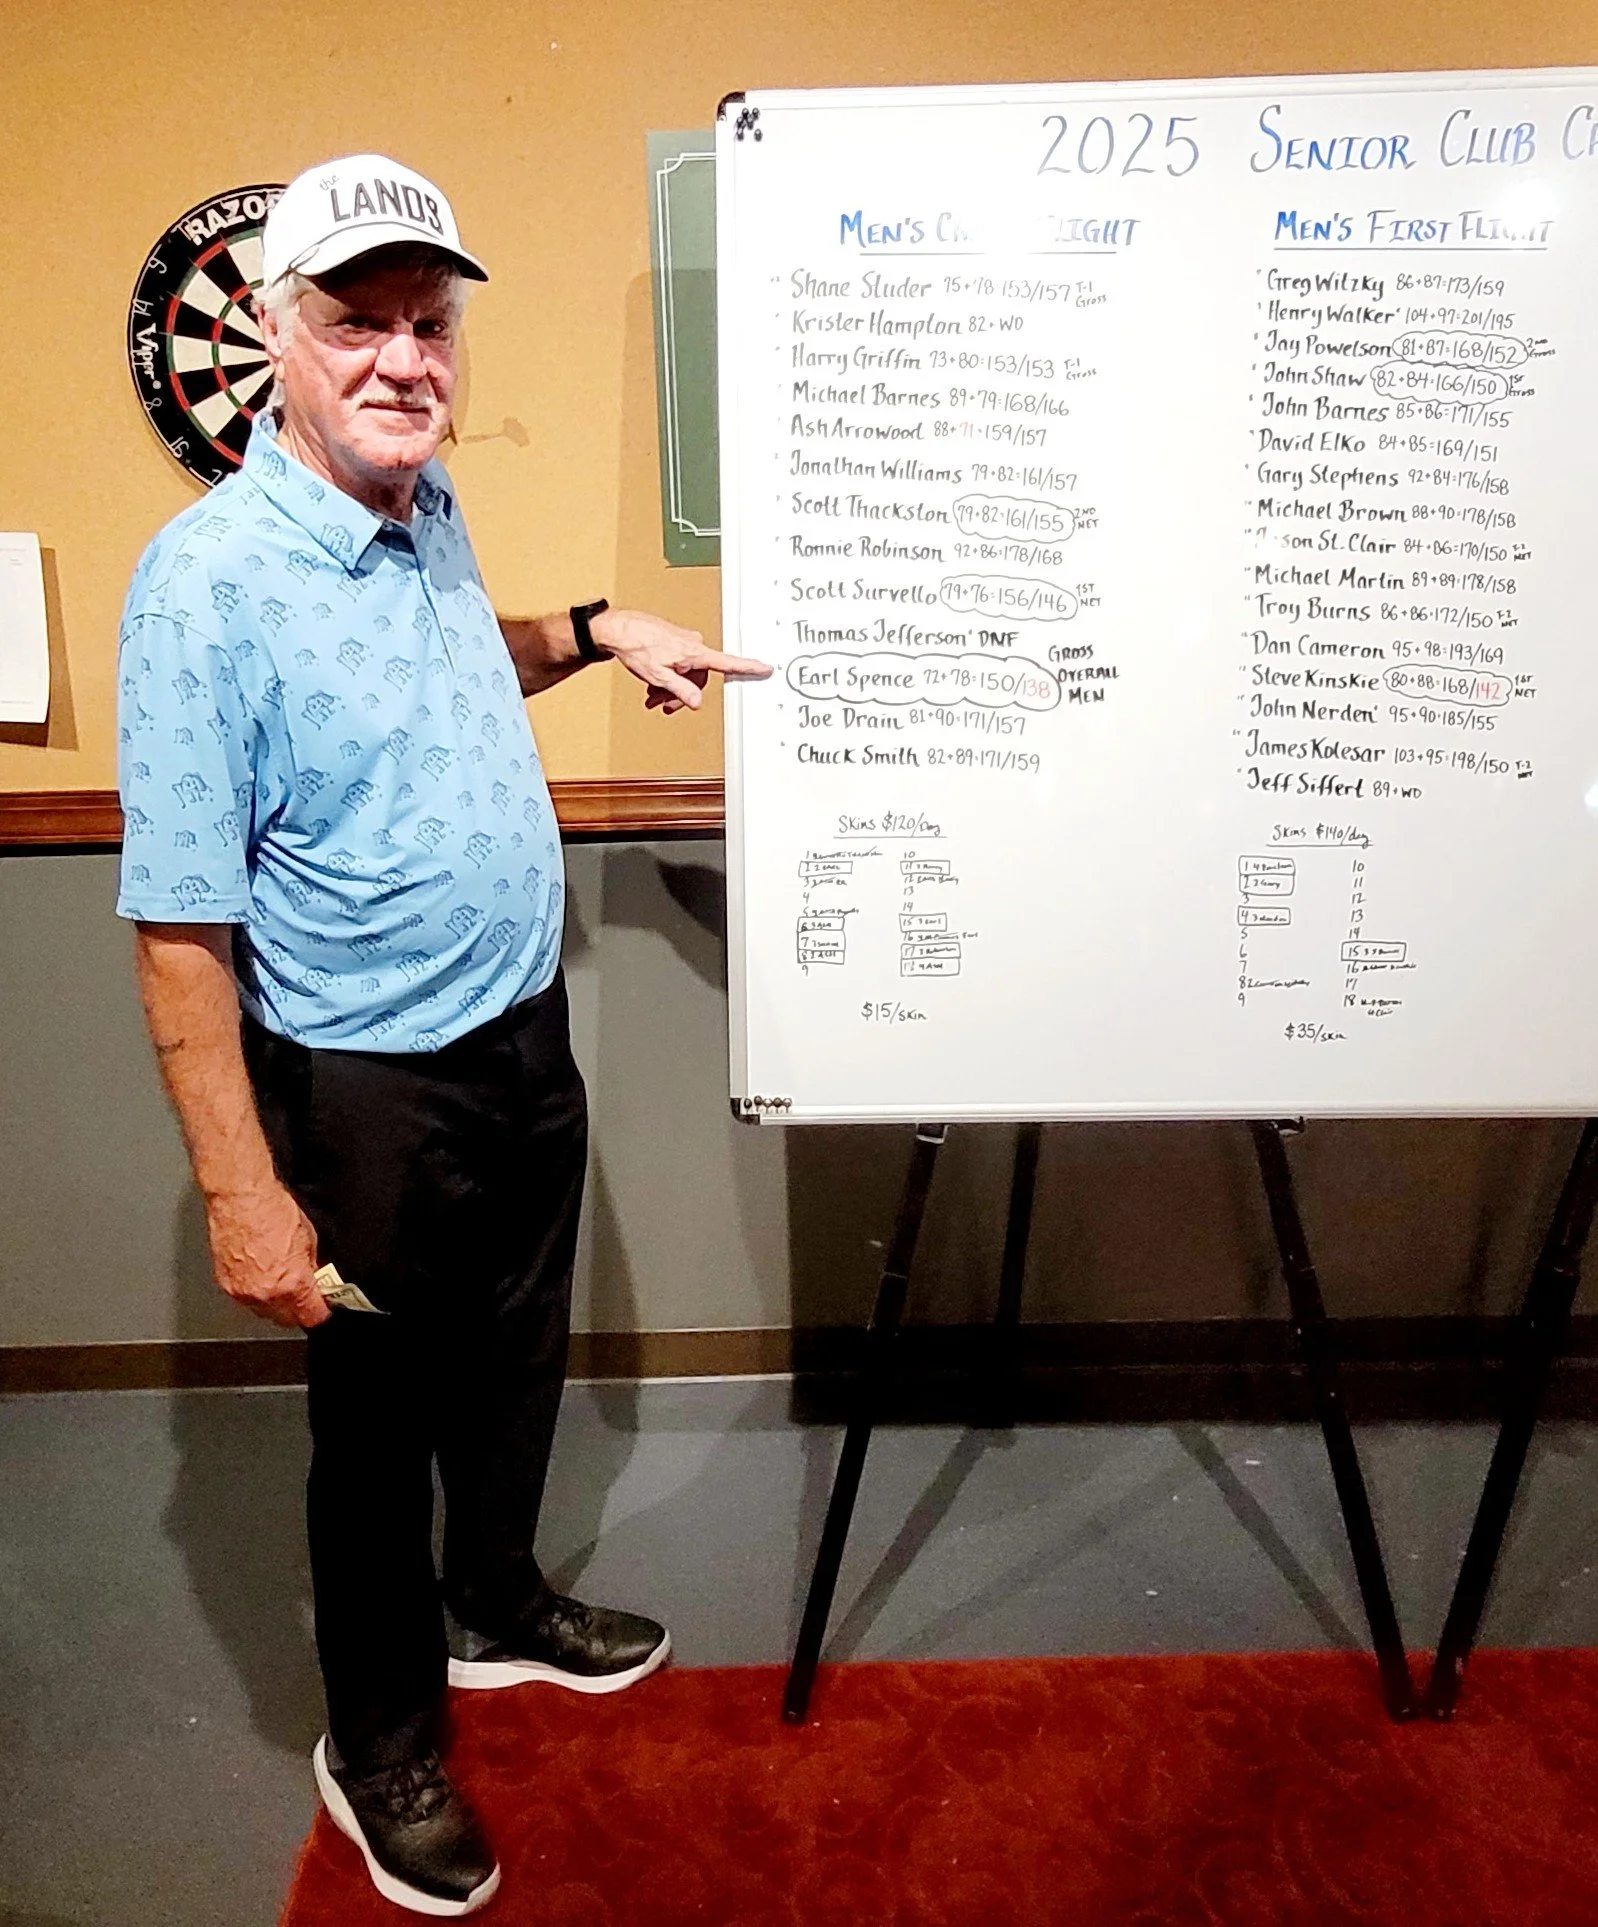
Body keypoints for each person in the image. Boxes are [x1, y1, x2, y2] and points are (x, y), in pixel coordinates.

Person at [115, 153, 770, 1917]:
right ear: (274, 336)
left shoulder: (421, 504)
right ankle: (383, 1739)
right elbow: (179, 933)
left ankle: (495, 1596)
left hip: (517, 1032)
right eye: (358, 323)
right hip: (363, 1090)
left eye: (428, 323)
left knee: (511, 1363)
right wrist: (245, 1195)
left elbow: (457, 659)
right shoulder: (204, 588)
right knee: (373, 1436)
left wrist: (597, 628)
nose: (405, 358)